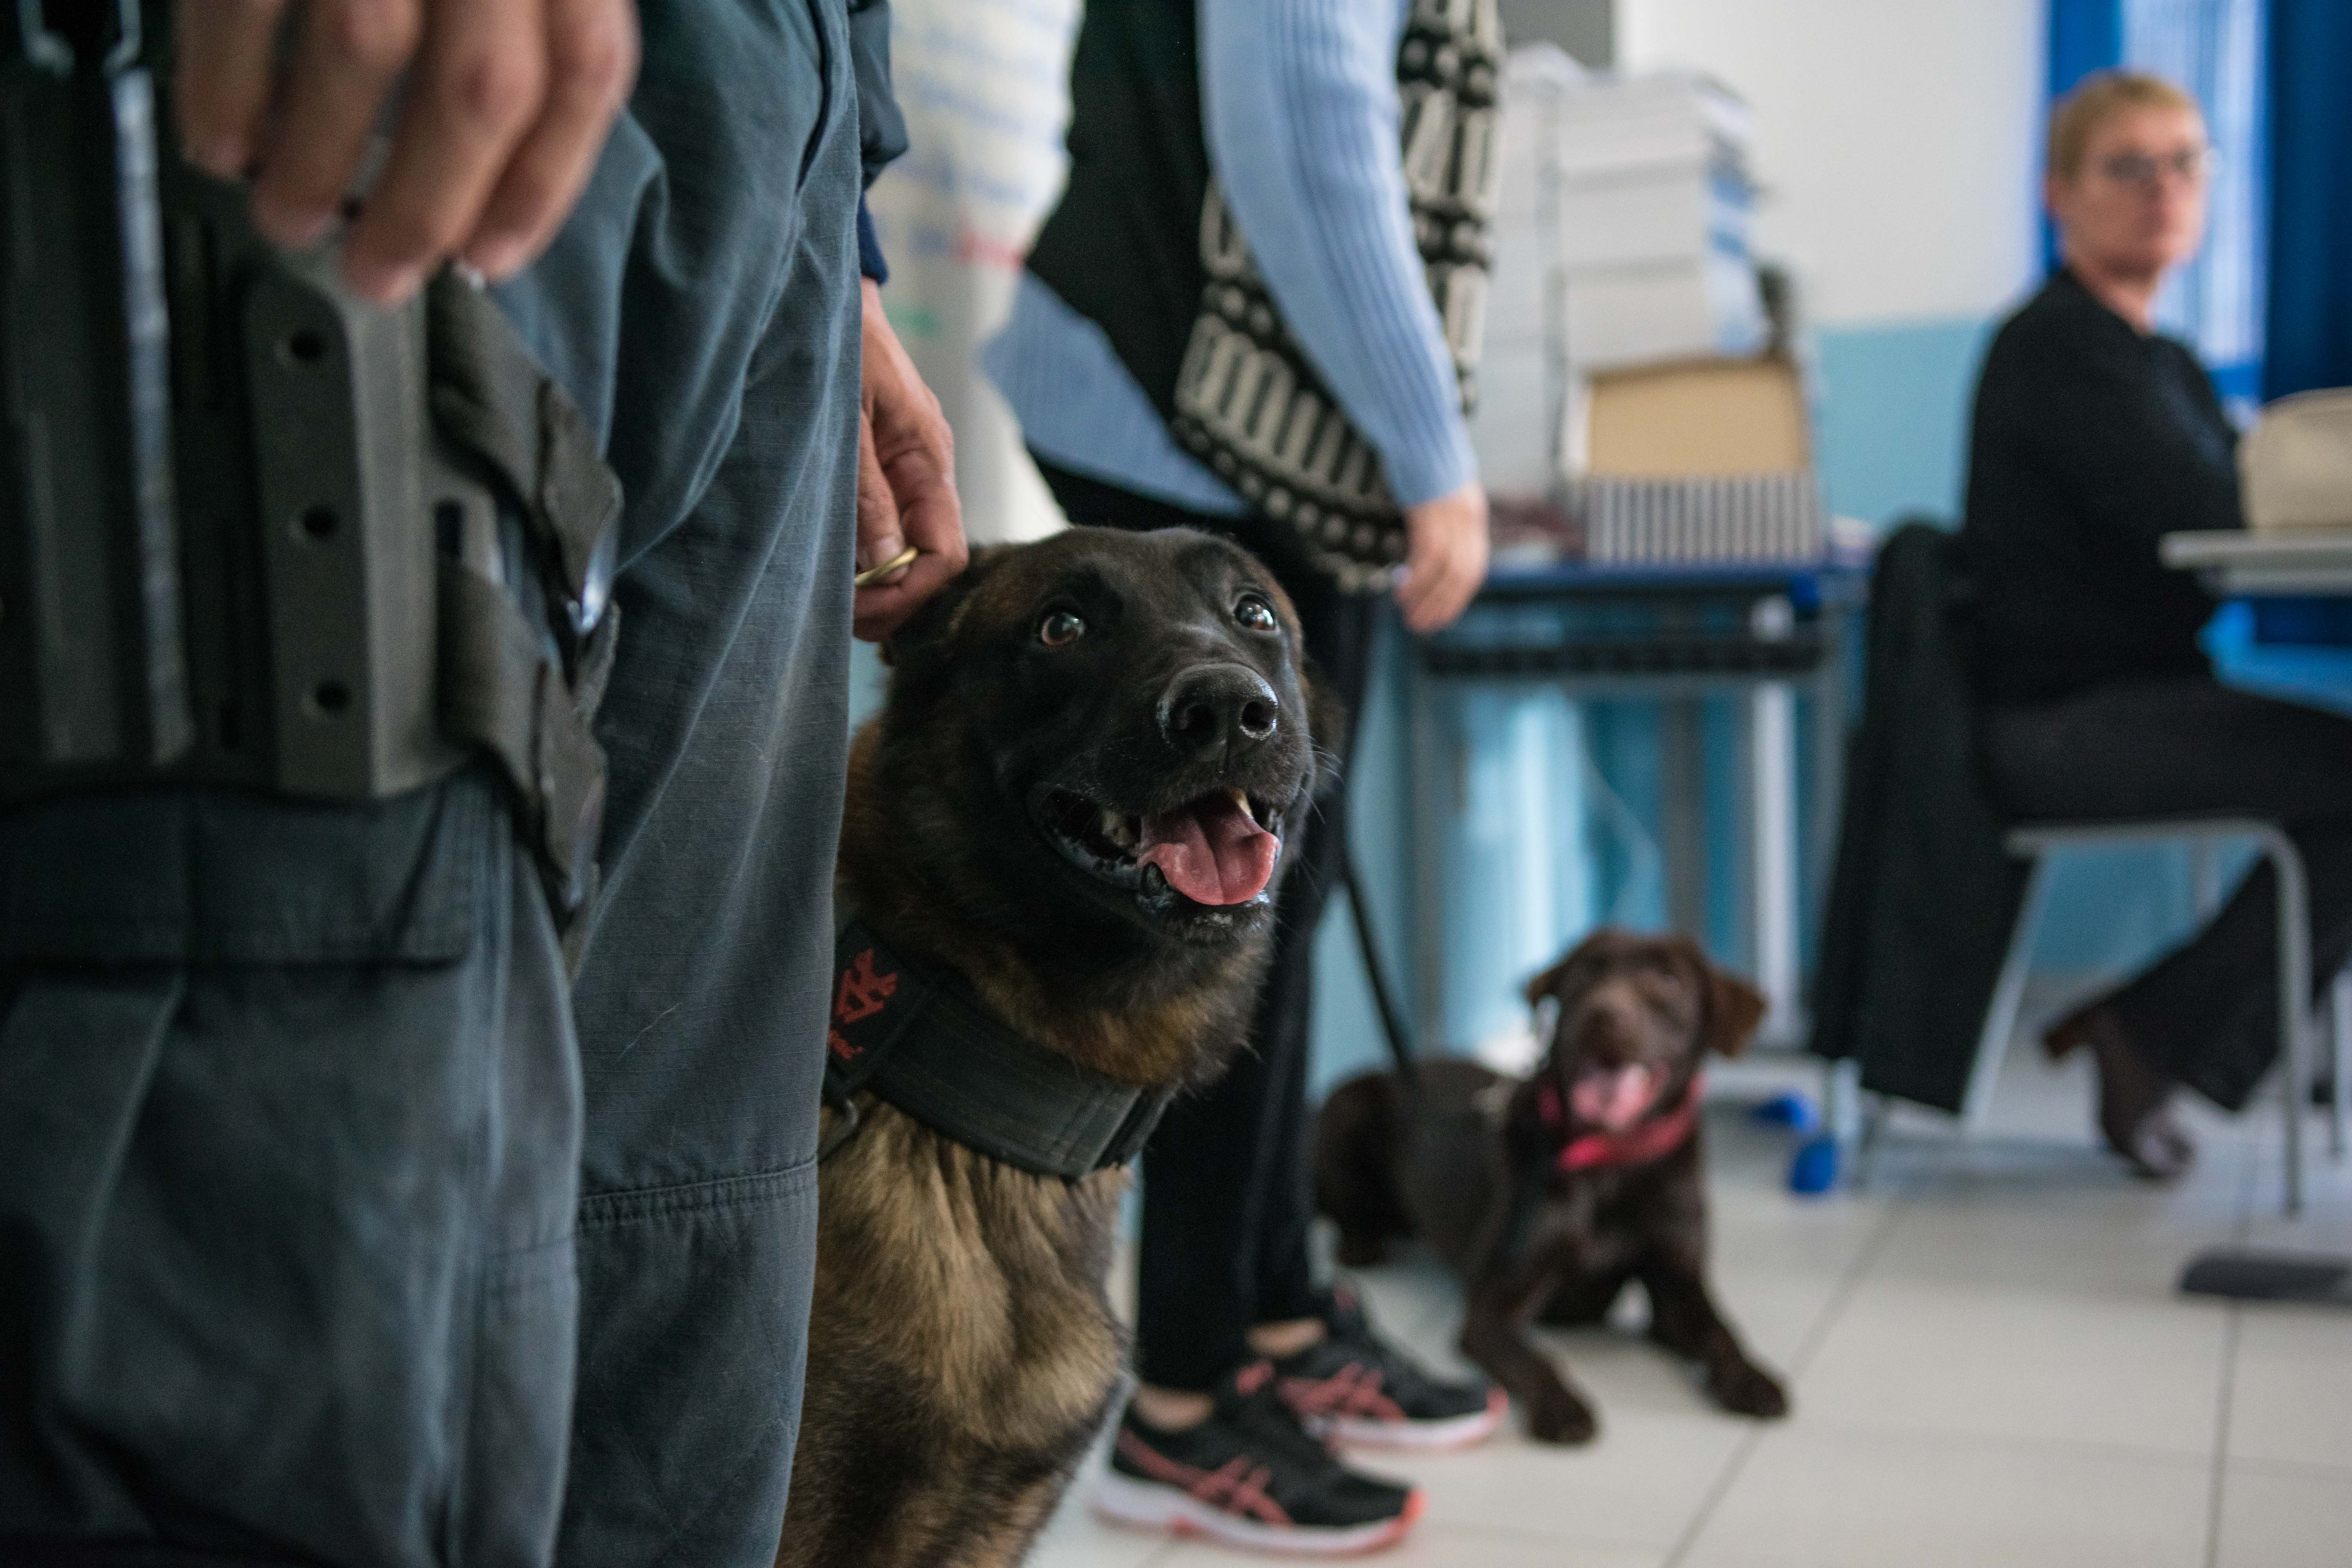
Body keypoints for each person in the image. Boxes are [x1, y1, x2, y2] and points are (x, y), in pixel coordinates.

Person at [0, 2, 963, 1564]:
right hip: (333, 104)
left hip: (744, 113)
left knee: (679, 1263)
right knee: (287, 1324)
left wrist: (823, 211)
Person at [983, 0, 1497, 1552]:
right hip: (1196, 409)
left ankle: (1268, 1312)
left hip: (1249, 426)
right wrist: (1434, 453)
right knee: (1231, 897)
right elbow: (1311, 149)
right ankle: (1188, 1400)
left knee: (1278, 887)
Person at [1961, 69, 2352, 1181]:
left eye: (2186, 163)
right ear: (2059, 195)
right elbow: (2217, 511)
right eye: (2128, 167)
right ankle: (2151, 1034)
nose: (2163, 189)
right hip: (2061, 724)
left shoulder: (2163, 360)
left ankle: (2158, 1030)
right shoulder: (2058, 346)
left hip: (2148, 698)